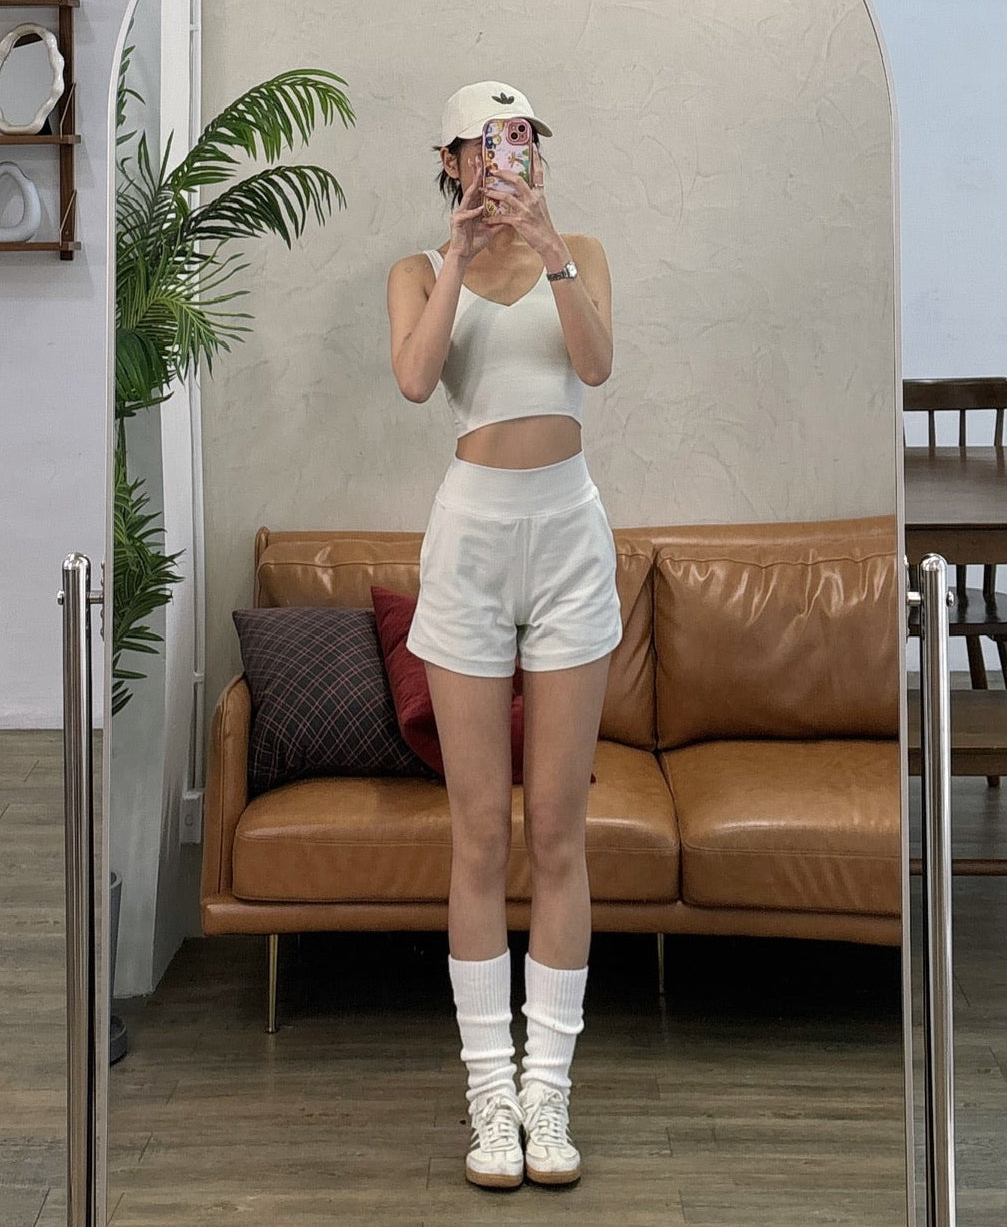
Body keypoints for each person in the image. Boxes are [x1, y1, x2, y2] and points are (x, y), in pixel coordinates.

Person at [386, 81, 622, 1190]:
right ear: (452, 157)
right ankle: (489, 1093)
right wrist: (458, 255)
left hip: (569, 533)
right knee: (480, 832)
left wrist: (548, 248)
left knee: (560, 832)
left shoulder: (581, 251)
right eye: (483, 143)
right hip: (471, 540)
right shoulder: (416, 270)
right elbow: (416, 378)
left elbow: (596, 365)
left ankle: (547, 1090)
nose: (503, 157)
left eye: (519, 138)